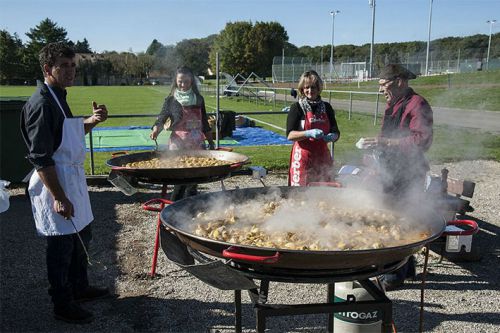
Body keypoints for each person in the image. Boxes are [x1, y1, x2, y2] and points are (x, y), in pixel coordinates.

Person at [20, 42, 110, 324]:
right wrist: (58, 196)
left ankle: (80, 287)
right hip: (55, 181)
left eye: (74, 66)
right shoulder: (42, 104)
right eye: (64, 66)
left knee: (82, 234)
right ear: (48, 69)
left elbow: (66, 135)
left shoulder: (58, 96)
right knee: (60, 247)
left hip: (72, 178)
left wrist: (92, 121)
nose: (71, 71)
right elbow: (40, 157)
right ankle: (62, 303)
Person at [362, 64, 433, 291]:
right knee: (395, 216)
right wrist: (376, 160)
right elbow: (385, 136)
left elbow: (422, 140)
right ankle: (407, 268)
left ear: (400, 81)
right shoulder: (393, 104)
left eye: (384, 84)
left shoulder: (417, 104)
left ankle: (393, 275)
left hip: (409, 173)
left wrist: (386, 143)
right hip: (390, 170)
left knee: (398, 219)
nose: (381, 89)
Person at [150, 66, 215, 200]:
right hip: (178, 144)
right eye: (180, 81)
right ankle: (172, 211)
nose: (183, 84)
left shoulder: (199, 99)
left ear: (192, 81)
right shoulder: (170, 100)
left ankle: (190, 210)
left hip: (197, 144)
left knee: (194, 181)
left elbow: (204, 122)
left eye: (186, 81)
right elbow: (162, 117)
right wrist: (156, 129)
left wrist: (210, 142)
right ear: (176, 81)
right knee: (179, 182)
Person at [286, 70, 340, 186]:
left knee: (326, 190)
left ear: (319, 88)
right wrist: (307, 133)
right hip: (303, 157)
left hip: (323, 157)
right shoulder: (297, 108)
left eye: (313, 87)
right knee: (300, 192)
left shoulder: (327, 107)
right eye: (307, 87)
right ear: (302, 89)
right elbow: (290, 135)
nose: (310, 91)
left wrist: (333, 136)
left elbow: (336, 131)